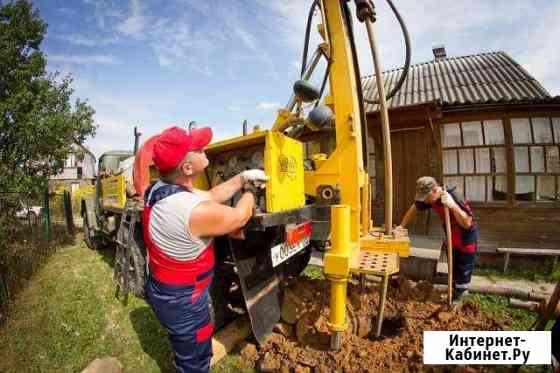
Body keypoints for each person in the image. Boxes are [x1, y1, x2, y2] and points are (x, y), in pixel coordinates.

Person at [142, 126, 267, 373]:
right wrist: (251, 192)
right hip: (184, 300)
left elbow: (209, 195)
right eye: (198, 149)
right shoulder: (190, 211)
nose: (204, 149)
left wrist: (242, 177)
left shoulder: (161, 189)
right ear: (187, 168)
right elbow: (240, 216)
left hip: (166, 288)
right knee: (195, 359)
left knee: (189, 346)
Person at [396, 176, 478, 302]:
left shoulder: (453, 195)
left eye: (426, 198)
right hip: (451, 237)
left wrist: (452, 206)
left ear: (434, 190)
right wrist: (402, 226)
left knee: (463, 273)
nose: (426, 201)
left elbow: (467, 223)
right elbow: (415, 207)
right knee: (453, 271)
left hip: (465, 239)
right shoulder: (431, 199)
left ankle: (460, 300)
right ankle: (453, 294)